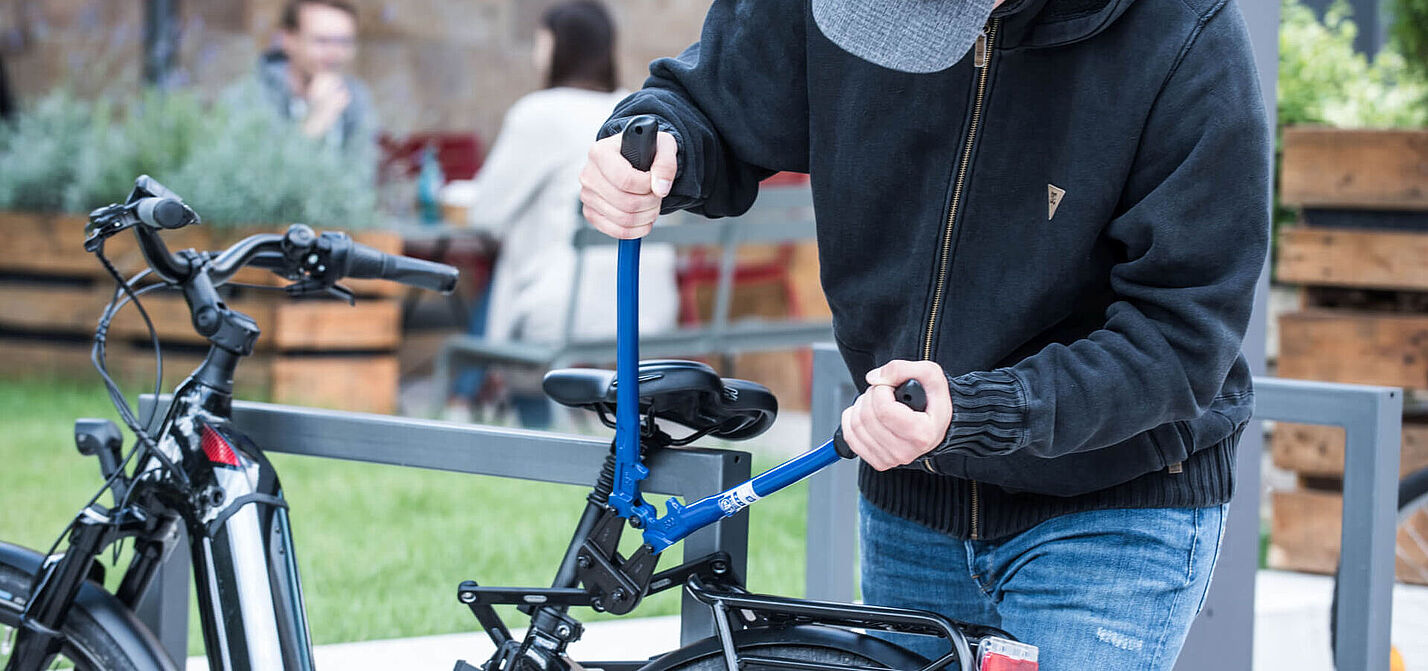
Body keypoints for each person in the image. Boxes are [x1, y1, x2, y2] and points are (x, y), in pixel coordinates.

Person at [577, 0, 1270, 668]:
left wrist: (980, 411)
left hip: (1108, 505)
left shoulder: (1184, 32)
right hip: (912, 502)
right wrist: (655, 142)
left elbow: (1182, 336)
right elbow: (711, 103)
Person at [447, 0, 678, 427]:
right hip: (646, 306)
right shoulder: (638, 110)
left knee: (507, 283)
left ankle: (465, 402)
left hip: (564, 311)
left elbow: (486, 214)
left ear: (557, 46)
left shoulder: (539, 112)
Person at [232, 0, 375, 155]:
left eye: (344, 42)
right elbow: (253, 167)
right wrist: (315, 122)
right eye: (322, 41)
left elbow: (363, 164)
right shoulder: (251, 96)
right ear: (287, 39)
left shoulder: (354, 95)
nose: (335, 52)